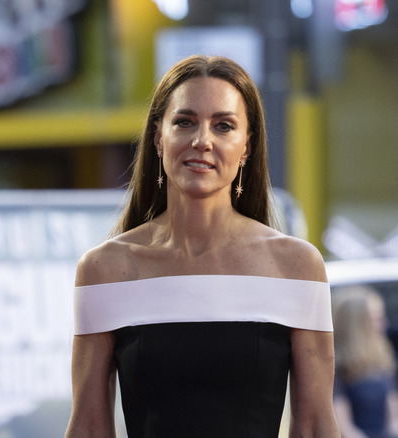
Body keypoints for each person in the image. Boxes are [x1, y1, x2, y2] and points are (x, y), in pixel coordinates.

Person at [64, 55, 339, 437]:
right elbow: (88, 426)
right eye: (185, 122)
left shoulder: (296, 266)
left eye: (223, 126)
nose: (202, 141)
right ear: (158, 138)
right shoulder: (105, 269)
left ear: (246, 146)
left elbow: (315, 426)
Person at [332, 286, 398, 438]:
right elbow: (344, 428)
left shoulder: (383, 359)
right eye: (376, 319)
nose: (384, 325)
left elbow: (393, 419)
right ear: (356, 326)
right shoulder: (338, 367)